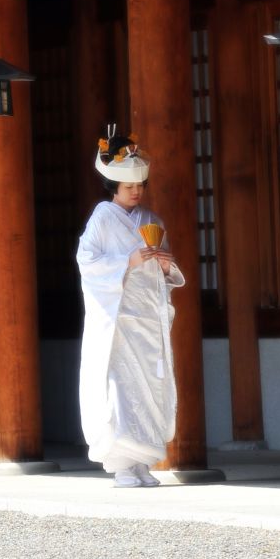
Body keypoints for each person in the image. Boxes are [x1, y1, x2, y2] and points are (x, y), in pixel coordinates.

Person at [76, 127, 185, 488]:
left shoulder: (152, 221)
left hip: (146, 320)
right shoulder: (102, 219)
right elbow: (87, 262)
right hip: (118, 319)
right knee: (119, 388)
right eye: (128, 187)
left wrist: (166, 267)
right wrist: (128, 259)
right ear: (114, 188)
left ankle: (142, 463)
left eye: (139, 186)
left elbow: (163, 272)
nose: (136, 191)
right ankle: (122, 465)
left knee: (147, 389)